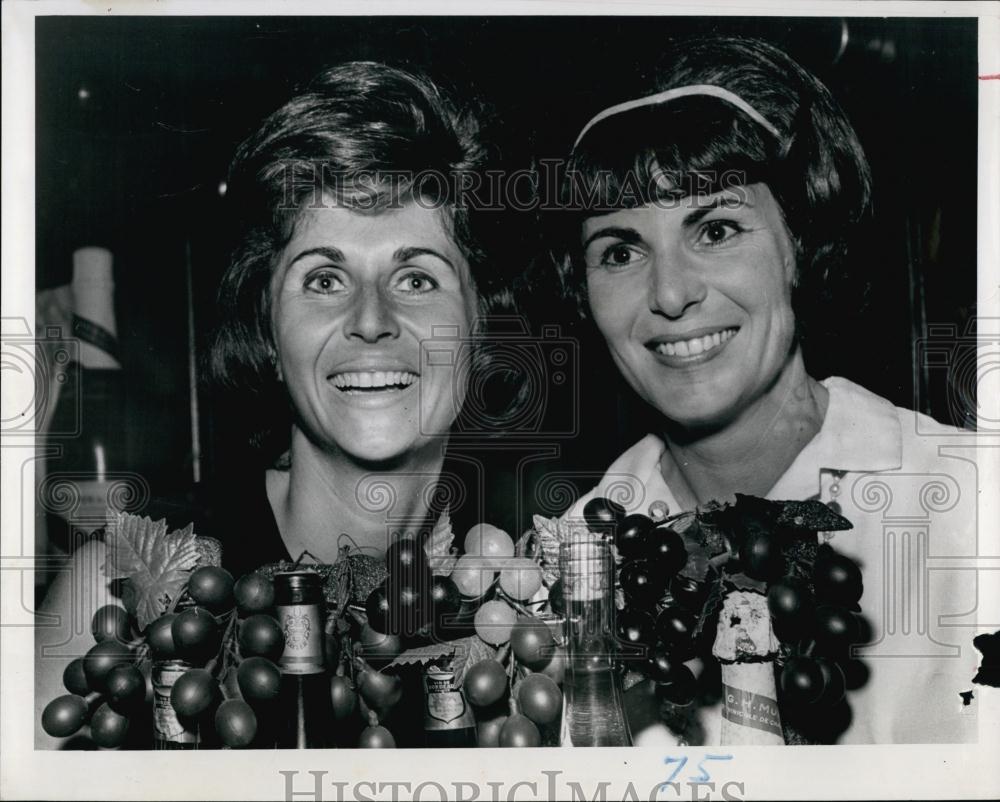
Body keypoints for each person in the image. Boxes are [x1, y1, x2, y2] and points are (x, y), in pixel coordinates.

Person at [35, 61, 525, 747]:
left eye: (416, 276)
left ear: (479, 321)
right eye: (324, 278)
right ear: (265, 328)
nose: (371, 319)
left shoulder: (520, 598)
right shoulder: (125, 587)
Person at [555, 36, 979, 745]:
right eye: (621, 251)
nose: (669, 294)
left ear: (802, 244)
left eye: (716, 229)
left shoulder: (972, 504)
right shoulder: (574, 558)